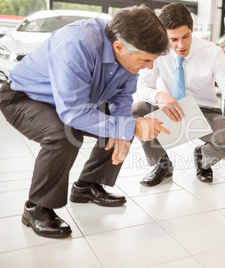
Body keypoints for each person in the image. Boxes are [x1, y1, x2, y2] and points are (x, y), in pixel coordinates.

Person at [0, 5, 170, 238]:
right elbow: (72, 113)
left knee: (123, 124)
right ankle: (36, 207)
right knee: (64, 134)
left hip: (79, 101)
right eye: (145, 60)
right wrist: (130, 127)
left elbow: (122, 98)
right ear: (119, 47)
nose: (149, 66)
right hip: (24, 96)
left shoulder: (129, 50)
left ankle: (86, 186)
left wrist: (125, 129)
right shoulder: (77, 44)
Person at [132, 2, 225, 187]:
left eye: (185, 36)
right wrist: (159, 96)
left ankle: (203, 158)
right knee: (138, 109)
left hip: (205, 112)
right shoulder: (158, 51)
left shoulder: (213, 53)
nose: (180, 45)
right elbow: (141, 88)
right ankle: (162, 165)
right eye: (173, 39)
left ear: (192, 28)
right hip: (171, 108)